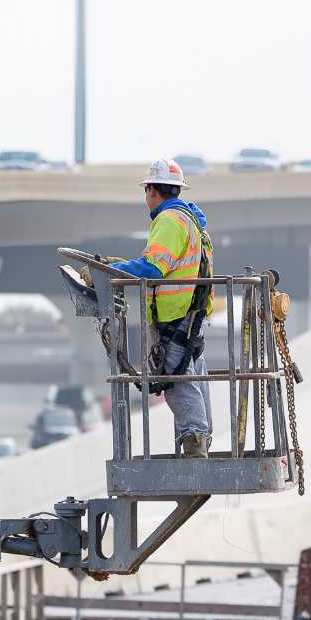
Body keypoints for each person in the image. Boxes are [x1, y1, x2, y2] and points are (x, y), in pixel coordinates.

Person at [111, 158, 214, 457]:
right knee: (191, 373)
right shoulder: (190, 220)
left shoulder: (169, 221)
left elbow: (153, 268)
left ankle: (194, 440)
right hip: (192, 312)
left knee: (177, 378)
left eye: (147, 190)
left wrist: (115, 270)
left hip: (177, 314)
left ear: (153, 190)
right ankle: (201, 438)